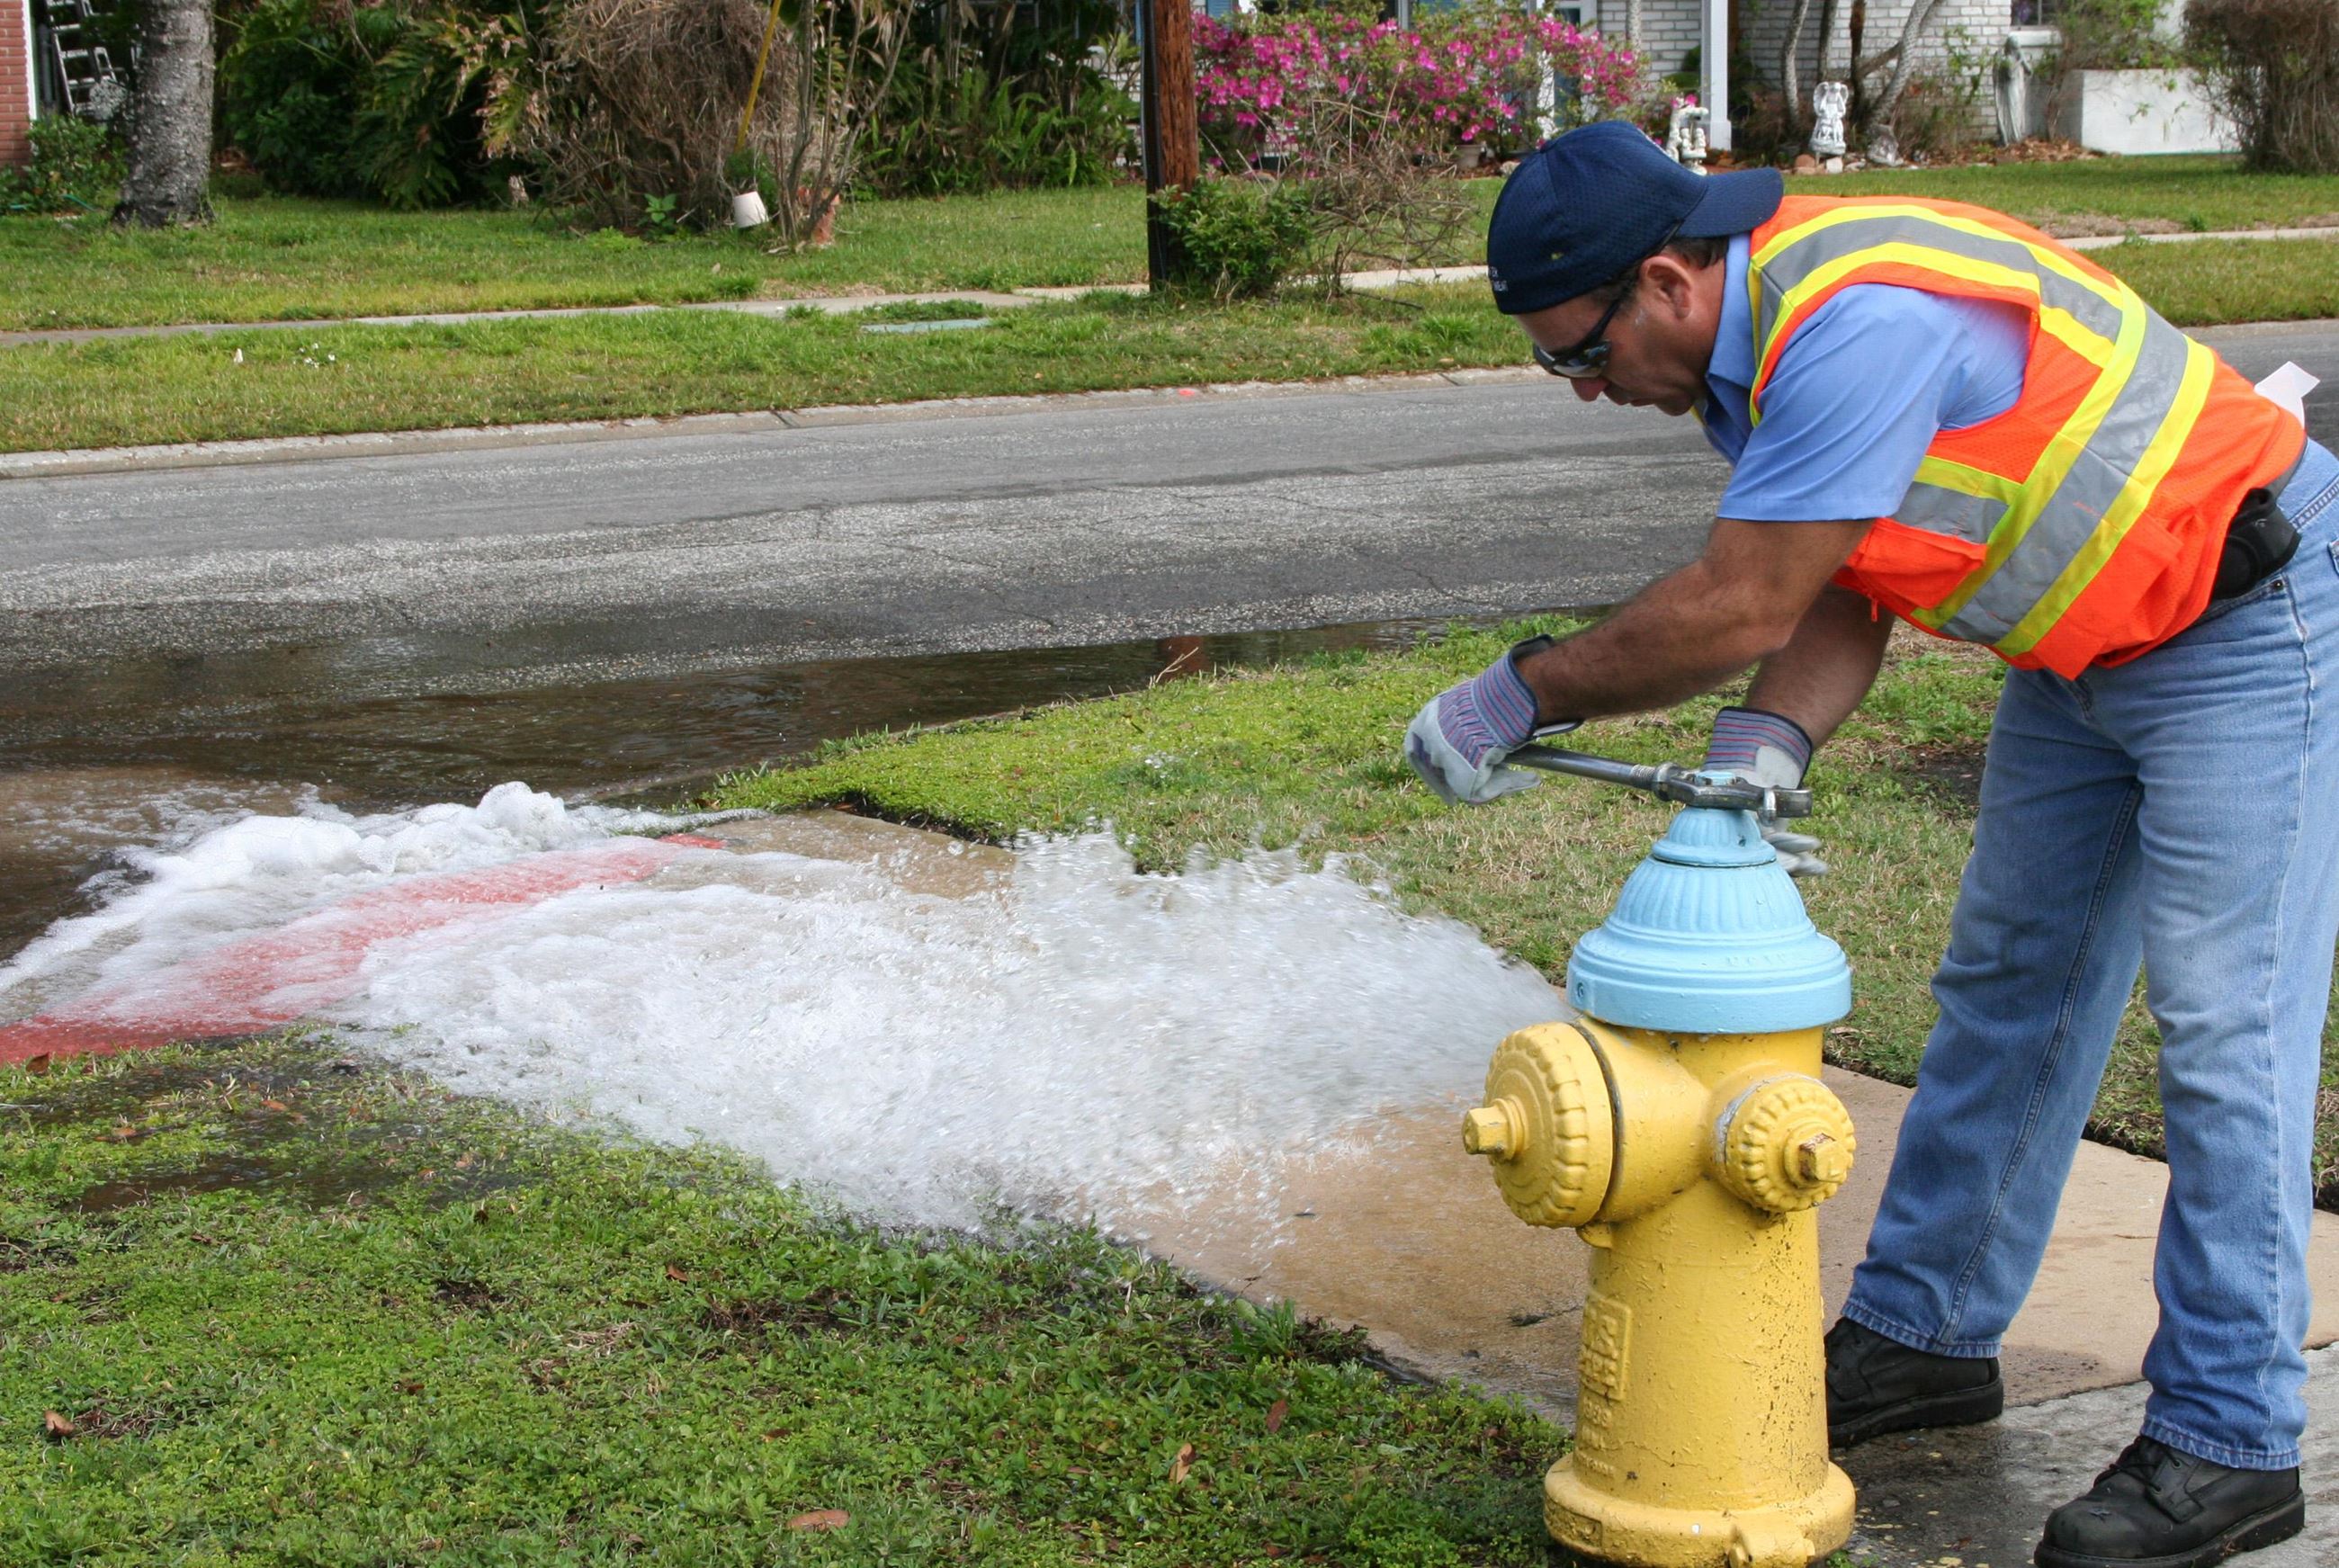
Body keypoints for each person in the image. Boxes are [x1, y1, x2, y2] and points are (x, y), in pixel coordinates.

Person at [1405, 120, 2335, 1568]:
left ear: (1664, 280)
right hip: (2078, 648)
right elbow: (1847, 567)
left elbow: (1743, 599)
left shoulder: (1852, 323)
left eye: (1575, 352)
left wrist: (1525, 689)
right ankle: (1927, 1336)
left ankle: (2230, 1438)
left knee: (2226, 1030)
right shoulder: (1752, 337)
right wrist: (1767, 744)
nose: (1584, 387)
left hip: (2245, 620)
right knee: (2009, 985)